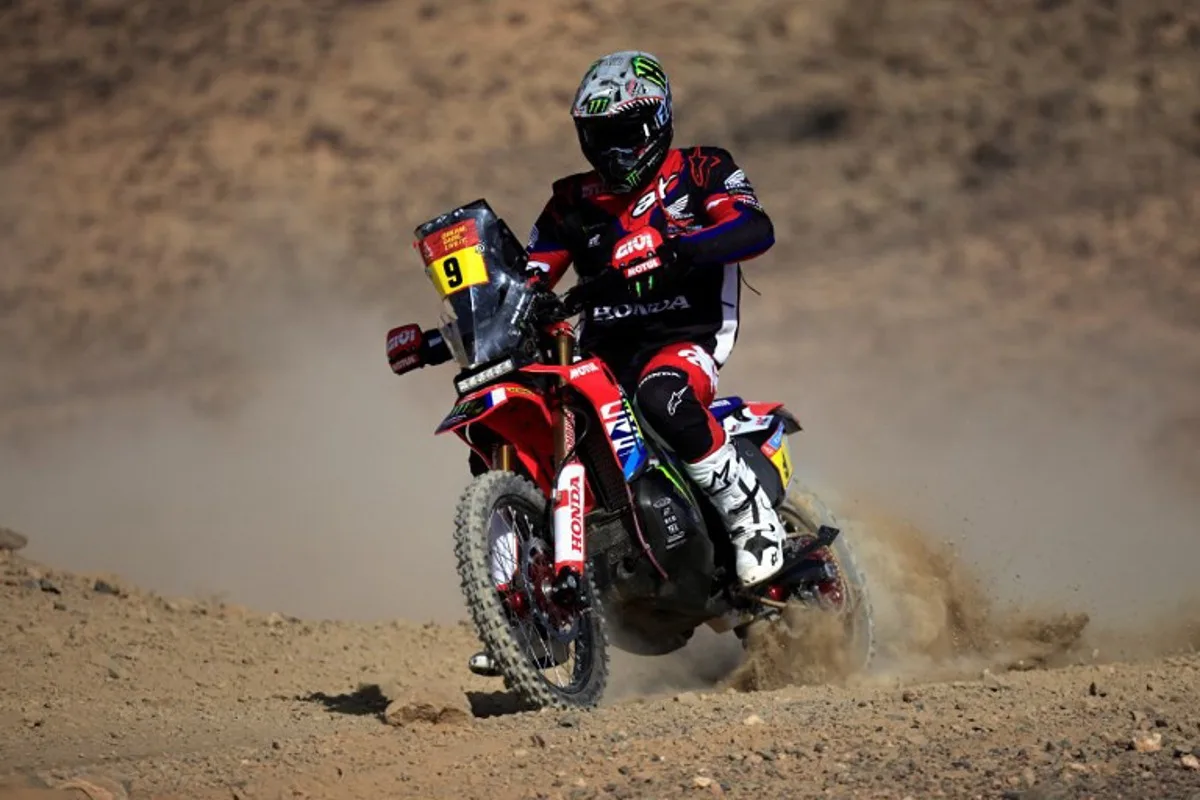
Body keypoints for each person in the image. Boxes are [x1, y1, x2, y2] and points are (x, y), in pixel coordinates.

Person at [387, 50, 788, 672]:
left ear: (656, 123)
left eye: (625, 135)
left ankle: (747, 516)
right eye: (599, 138)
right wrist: (446, 336)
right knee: (522, 426)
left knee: (662, 393)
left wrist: (674, 244)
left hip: (688, 332)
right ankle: (530, 611)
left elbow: (753, 230)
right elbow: (523, 285)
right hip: (601, 347)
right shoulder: (570, 203)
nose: (613, 152)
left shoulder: (703, 168)